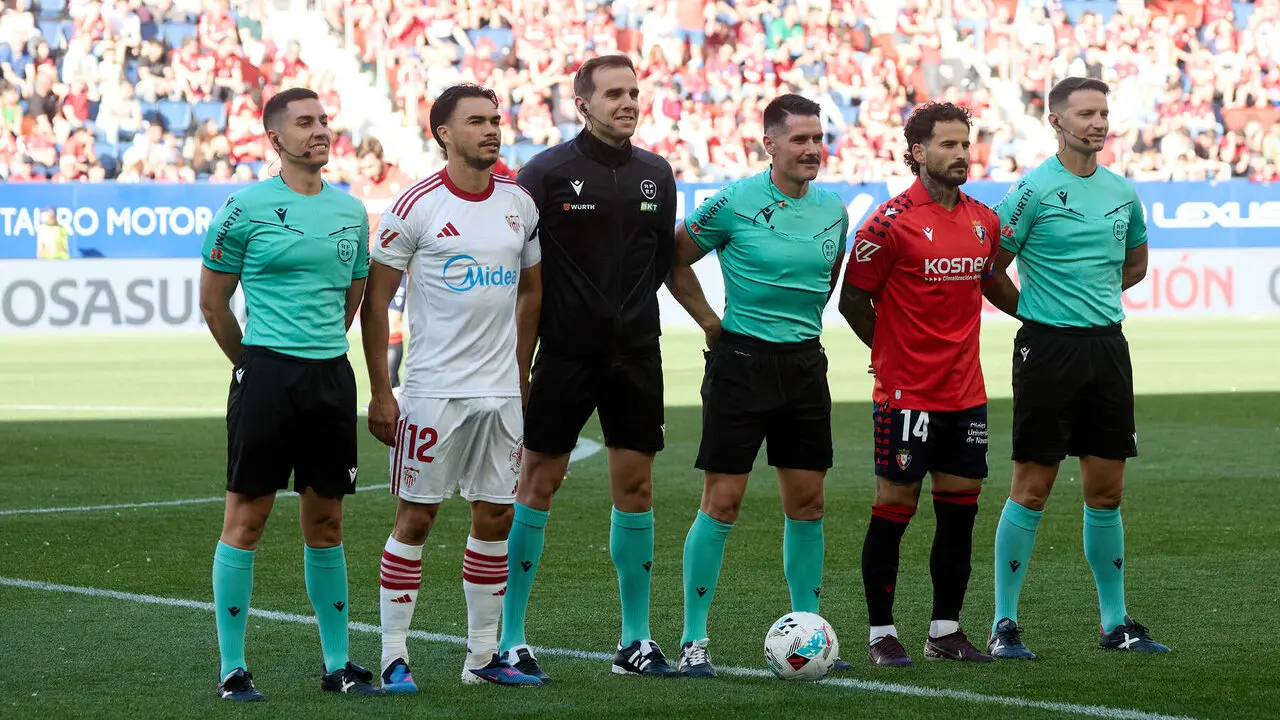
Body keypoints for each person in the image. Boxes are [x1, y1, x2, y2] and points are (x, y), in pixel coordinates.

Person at [499, 54, 715, 682]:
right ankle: (510, 637)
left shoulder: (657, 172)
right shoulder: (545, 173)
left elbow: (664, 264)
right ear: (582, 104)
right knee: (537, 486)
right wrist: (518, 366)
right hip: (564, 357)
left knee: (638, 490)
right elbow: (523, 278)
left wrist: (709, 325)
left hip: (637, 356)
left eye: (634, 92)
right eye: (613, 94)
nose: (627, 102)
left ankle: (636, 641)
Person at [198, 86, 385, 701]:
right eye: (305, 123)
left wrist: (318, 351)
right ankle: (232, 668)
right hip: (269, 376)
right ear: (275, 139)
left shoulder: (351, 210)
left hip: (330, 377)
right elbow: (213, 301)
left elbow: (352, 300)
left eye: (324, 120)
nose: (320, 131)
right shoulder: (245, 206)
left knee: (326, 522)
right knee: (246, 518)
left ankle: (337, 664)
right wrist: (254, 365)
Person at [362, 83, 544, 690]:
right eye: (477, 122)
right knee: (415, 518)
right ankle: (393, 655)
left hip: (501, 394)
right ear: (444, 133)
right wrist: (382, 391)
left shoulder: (519, 203)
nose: (492, 130)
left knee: (495, 515)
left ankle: (482, 658)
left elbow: (532, 290)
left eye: (496, 120)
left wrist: (519, 371)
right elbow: (376, 299)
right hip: (433, 390)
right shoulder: (415, 206)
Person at [985, 77, 1168, 658]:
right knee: (1032, 486)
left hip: (1107, 348)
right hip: (1048, 351)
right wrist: (1036, 312)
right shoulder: (1033, 189)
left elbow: (1136, 262)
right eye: (1086, 113)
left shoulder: (1121, 192)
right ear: (1055, 121)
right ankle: (1004, 623)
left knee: (1106, 489)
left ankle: (1114, 623)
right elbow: (991, 267)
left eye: (1104, 113)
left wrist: (1089, 298)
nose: (1098, 123)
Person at [671, 94, 851, 678]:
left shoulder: (833, 210)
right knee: (722, 502)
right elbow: (674, 259)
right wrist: (709, 322)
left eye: (817, 139)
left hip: (804, 366)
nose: (811, 149)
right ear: (769, 144)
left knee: (808, 502)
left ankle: (812, 634)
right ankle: (693, 641)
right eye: (798, 139)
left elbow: (828, 280)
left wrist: (799, 333)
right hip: (740, 364)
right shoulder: (735, 201)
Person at [839, 102, 1019, 667]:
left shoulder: (983, 220)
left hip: (966, 395)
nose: (961, 154)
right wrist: (891, 354)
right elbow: (852, 301)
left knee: (960, 511)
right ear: (918, 152)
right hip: (907, 395)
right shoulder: (887, 223)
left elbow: (992, 281)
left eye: (965, 144)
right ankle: (880, 634)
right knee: (894, 507)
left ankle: (946, 630)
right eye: (948, 145)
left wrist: (1040, 317)